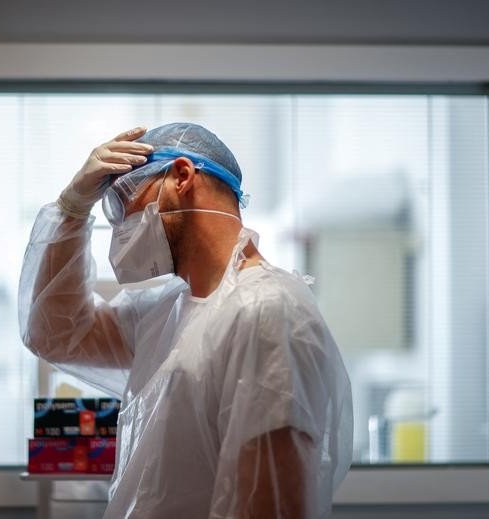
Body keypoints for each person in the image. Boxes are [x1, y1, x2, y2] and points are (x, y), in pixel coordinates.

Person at [18, 122, 353, 518]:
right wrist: (72, 208)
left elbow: (271, 506)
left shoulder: (266, 311)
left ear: (180, 176)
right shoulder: (167, 311)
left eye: (123, 198)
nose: (121, 222)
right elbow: (57, 333)